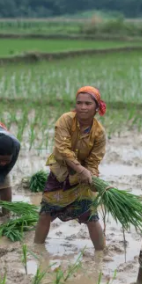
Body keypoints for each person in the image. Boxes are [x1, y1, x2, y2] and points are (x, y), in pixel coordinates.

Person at [34, 86, 107, 250]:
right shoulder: (66, 120)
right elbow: (63, 149)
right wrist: (81, 169)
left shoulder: (99, 133)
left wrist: (92, 176)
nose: (82, 107)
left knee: (91, 216)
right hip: (59, 173)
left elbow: (94, 161)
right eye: (79, 103)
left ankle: (101, 253)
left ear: (96, 107)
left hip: (81, 179)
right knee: (45, 212)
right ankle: (37, 248)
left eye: (88, 103)